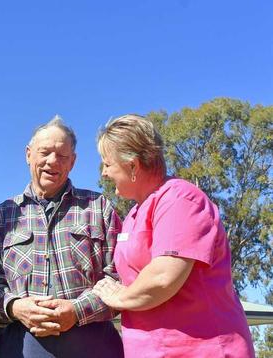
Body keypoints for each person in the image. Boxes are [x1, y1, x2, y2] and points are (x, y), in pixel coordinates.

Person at [92, 114, 255, 358]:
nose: (104, 173)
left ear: (133, 165)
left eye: (107, 164)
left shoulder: (181, 199)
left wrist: (118, 296)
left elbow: (163, 278)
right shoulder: (134, 214)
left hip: (201, 349)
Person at [0, 115, 124, 358]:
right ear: (28, 154)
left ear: (72, 161)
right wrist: (16, 306)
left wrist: (76, 311)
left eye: (62, 155)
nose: (53, 161)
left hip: (93, 345)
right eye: (45, 152)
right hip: (20, 345)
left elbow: (120, 276)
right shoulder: (3, 215)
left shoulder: (99, 207)